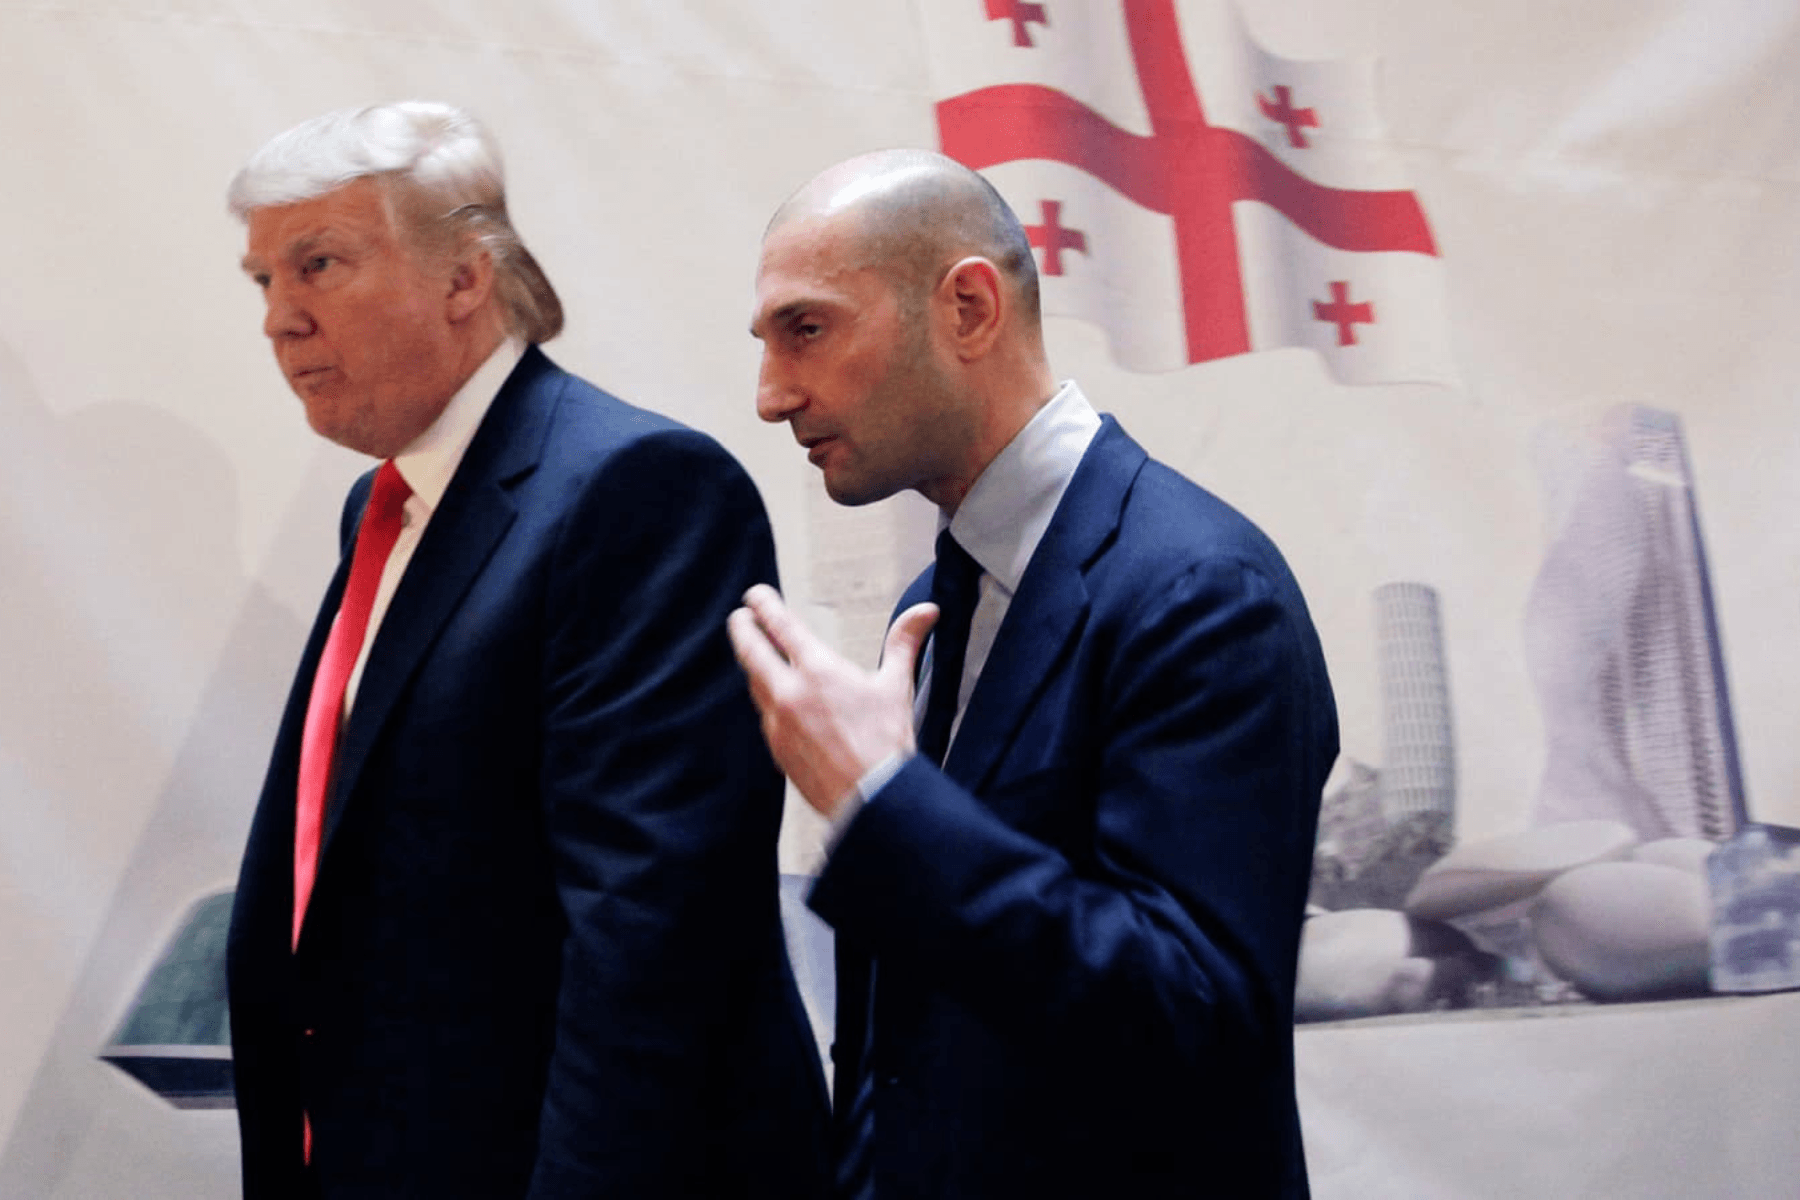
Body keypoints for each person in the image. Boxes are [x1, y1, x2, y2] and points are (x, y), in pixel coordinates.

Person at [223, 102, 828, 1198]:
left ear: (466, 276)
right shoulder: (388, 499)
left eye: (319, 264)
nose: (281, 319)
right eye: (264, 280)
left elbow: (647, 943)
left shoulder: (637, 490)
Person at [729, 148, 1338, 1199]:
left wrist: (884, 805)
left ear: (969, 308)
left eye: (809, 328)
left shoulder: (1202, 591)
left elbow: (1193, 1018)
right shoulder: (940, 591)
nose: (773, 395)